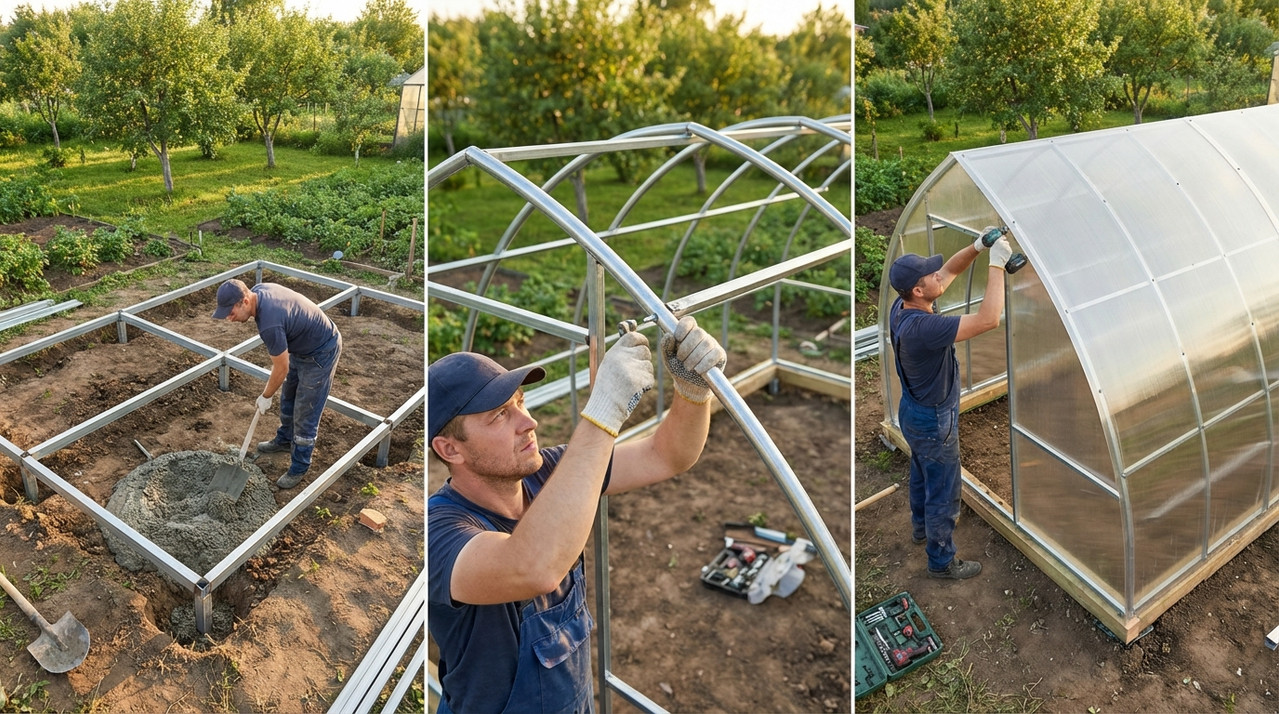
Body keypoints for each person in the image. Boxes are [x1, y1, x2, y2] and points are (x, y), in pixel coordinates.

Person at [427, 316, 725, 714]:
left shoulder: (551, 473)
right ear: (450, 450)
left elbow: (666, 455)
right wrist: (604, 411)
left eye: (520, 402)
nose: (528, 423)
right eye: (500, 415)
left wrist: (691, 390)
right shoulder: (438, 533)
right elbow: (534, 566)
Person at [888, 230, 1013, 580]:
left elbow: (949, 274)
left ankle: (920, 528)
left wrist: (979, 246)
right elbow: (989, 319)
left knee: (922, 470)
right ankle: (941, 562)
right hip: (933, 419)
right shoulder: (924, 327)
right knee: (944, 488)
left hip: (913, 411)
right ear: (918, 290)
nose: (938, 276)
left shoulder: (903, 306)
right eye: (931, 276)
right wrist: (997, 265)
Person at [211, 278, 343, 490]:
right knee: (288, 398)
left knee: (305, 410)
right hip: (301, 346)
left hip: (321, 350)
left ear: (245, 301)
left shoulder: (269, 323)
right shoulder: (259, 292)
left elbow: (281, 369)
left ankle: (300, 465)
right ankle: (284, 440)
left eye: (231, 312)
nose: (229, 318)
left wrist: (265, 396)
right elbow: (284, 365)